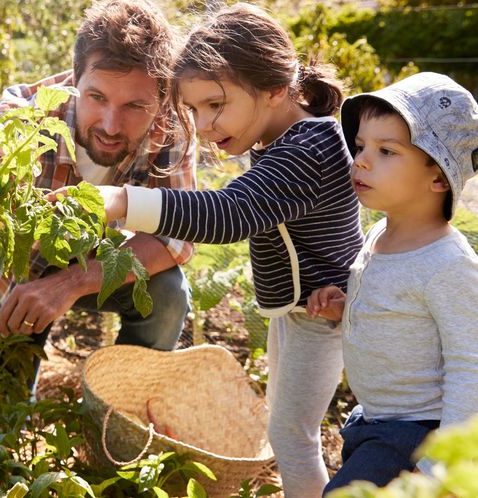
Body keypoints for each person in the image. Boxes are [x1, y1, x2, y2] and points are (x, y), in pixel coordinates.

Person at [77, 4, 364, 496]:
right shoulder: (282, 137)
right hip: (302, 311)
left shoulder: (308, 149)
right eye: (193, 110)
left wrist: (123, 201)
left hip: (321, 314)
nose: (205, 125)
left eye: (215, 104)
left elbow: (229, 213)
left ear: (275, 89)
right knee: (291, 427)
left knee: (292, 437)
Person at [0, 0, 196, 392]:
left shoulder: (172, 126)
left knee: (167, 293)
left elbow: (175, 235)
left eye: (135, 106)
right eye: (96, 97)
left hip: (95, 262)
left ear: (161, 98)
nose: (111, 124)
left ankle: (121, 413)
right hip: (17, 275)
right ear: (74, 80)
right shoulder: (23, 119)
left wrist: (70, 283)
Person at [305, 72, 478, 493]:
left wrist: (439, 468)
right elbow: (400, 315)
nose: (360, 160)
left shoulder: (447, 265)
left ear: (438, 178)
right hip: (374, 420)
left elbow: (469, 366)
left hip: (419, 433)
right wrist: (345, 308)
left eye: (386, 151)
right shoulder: (379, 235)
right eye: (361, 146)